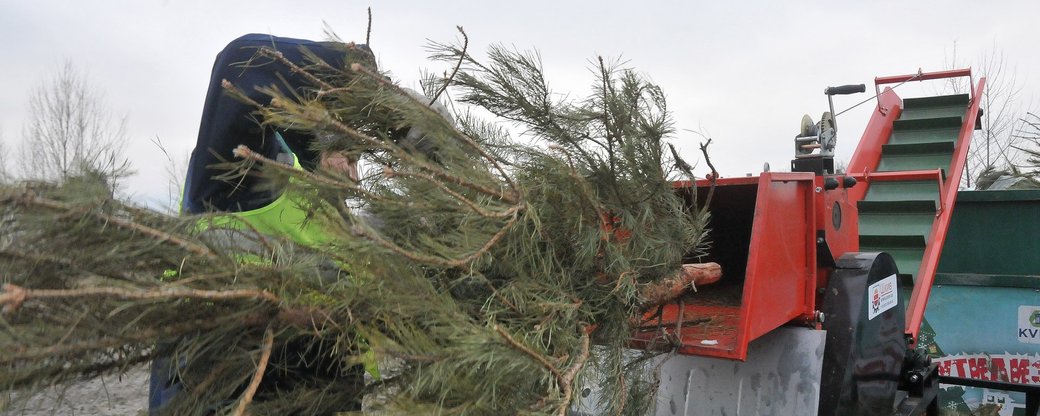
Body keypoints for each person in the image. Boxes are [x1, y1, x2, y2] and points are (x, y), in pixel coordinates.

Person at [149, 33, 372, 415]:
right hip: (228, 394)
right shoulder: (253, 172)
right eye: (347, 158)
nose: (355, 176)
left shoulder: (336, 221)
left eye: (358, 163)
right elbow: (241, 64)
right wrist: (354, 71)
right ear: (317, 139)